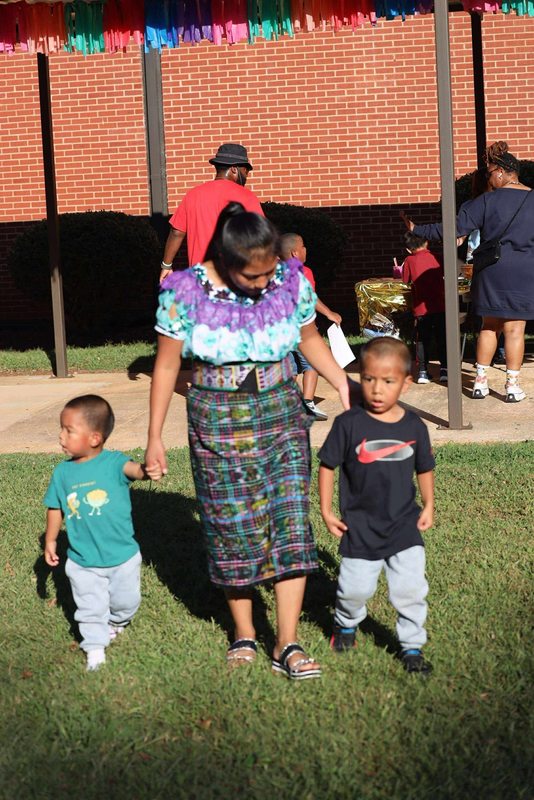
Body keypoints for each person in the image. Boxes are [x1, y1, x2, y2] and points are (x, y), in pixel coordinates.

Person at [146, 202, 350, 680]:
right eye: (253, 276)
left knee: (290, 522)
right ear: (227, 258)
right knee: (230, 522)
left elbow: (308, 337)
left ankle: (288, 642)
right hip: (217, 413)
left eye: (269, 271)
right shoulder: (186, 293)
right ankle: (243, 633)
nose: (264, 284)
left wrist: (340, 381)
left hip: (281, 410)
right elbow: (167, 365)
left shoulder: (289, 280)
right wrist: (154, 436)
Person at [318, 337, 435, 675]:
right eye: (369, 379)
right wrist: (327, 511)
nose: (377, 389)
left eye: (388, 381)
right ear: (359, 378)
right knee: (354, 590)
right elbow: (327, 465)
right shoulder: (348, 424)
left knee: (411, 590)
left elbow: (424, 467)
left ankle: (412, 647)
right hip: (360, 527)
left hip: (403, 526)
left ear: (406, 383)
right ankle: (345, 624)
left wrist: (428, 504)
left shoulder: (414, 427)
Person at [402, 141, 533, 402]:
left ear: (501, 172)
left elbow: (452, 229)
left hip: (490, 271)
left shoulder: (485, 201)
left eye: (489, 173)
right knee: (515, 329)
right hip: (523, 271)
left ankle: (480, 383)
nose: (488, 179)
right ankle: (512, 386)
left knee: (489, 326)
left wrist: (418, 229)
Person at [44, 395, 161, 671]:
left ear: (95, 438)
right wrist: (51, 539)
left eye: (68, 430)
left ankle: (118, 620)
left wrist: (147, 469)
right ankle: (94, 648)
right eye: (62, 429)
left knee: (126, 601)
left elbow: (134, 470)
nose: (61, 436)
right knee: (89, 606)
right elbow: (54, 507)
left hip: (122, 555)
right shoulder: (62, 473)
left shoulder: (113, 463)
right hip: (83, 560)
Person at [159, 143, 264, 282]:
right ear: (234, 169)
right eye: (245, 170)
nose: (246, 175)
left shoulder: (193, 195)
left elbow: (176, 232)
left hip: (200, 280)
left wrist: (166, 265)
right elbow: (261, 237)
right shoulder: (246, 197)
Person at [280, 232, 343, 420]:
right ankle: (307, 403)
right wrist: (329, 313)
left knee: (289, 367)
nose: (305, 249)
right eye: (303, 246)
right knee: (312, 365)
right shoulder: (304, 272)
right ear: (294, 253)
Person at [401, 230, 447, 385]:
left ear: (409, 249)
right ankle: (445, 369)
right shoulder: (437, 257)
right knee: (443, 337)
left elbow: (405, 280)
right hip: (440, 304)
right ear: (427, 243)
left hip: (420, 308)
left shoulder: (409, 260)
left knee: (422, 339)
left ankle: (422, 371)